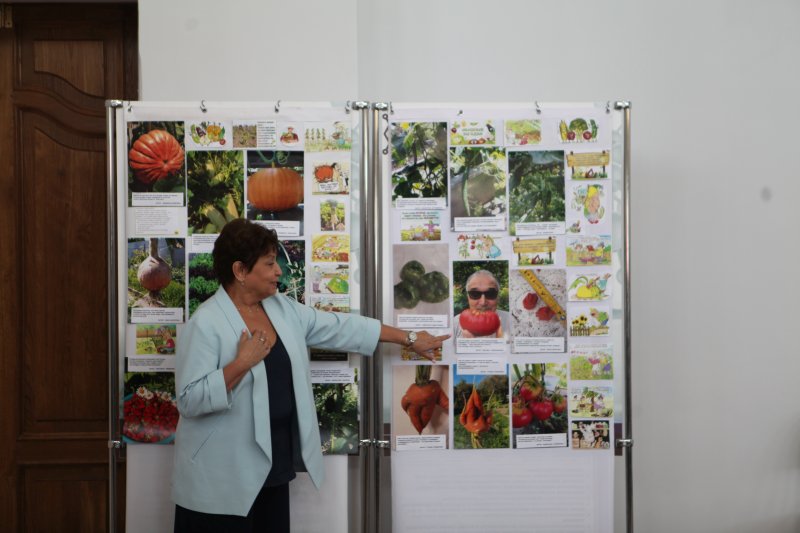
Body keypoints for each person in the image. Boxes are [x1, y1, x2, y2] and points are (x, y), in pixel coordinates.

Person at [172, 219, 448, 532]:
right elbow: (189, 400)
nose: (278, 271)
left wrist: (409, 338)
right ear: (240, 271)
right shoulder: (204, 323)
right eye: (269, 263)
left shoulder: (280, 308)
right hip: (221, 476)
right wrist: (242, 362)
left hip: (272, 466)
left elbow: (340, 327)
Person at [453, 269, 510, 338]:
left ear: (498, 296)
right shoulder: (455, 324)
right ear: (468, 297)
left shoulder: (513, 321)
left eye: (490, 293)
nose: (483, 302)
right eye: (475, 294)